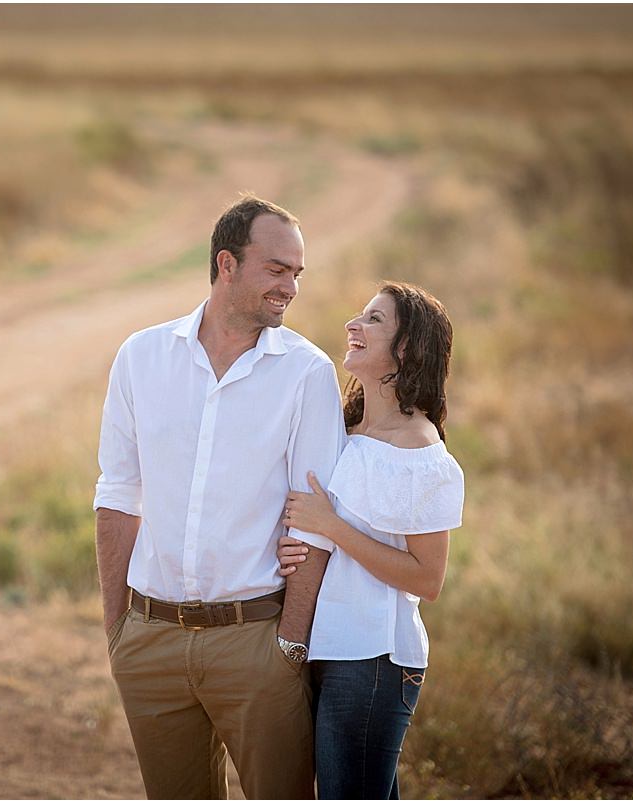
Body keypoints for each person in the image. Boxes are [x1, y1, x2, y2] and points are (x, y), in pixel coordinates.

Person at [93, 196, 342, 799]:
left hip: (256, 641)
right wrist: (117, 629)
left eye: (297, 275)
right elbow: (118, 494)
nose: (289, 287)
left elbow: (315, 520)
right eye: (276, 270)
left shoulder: (307, 373)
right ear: (226, 264)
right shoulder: (141, 357)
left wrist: (290, 643)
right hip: (150, 638)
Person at [277, 281, 464, 800]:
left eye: (374, 320)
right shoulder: (346, 427)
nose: (352, 326)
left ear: (406, 348)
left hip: (374, 659)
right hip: (327, 646)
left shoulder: (419, 451)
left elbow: (428, 578)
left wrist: (334, 527)